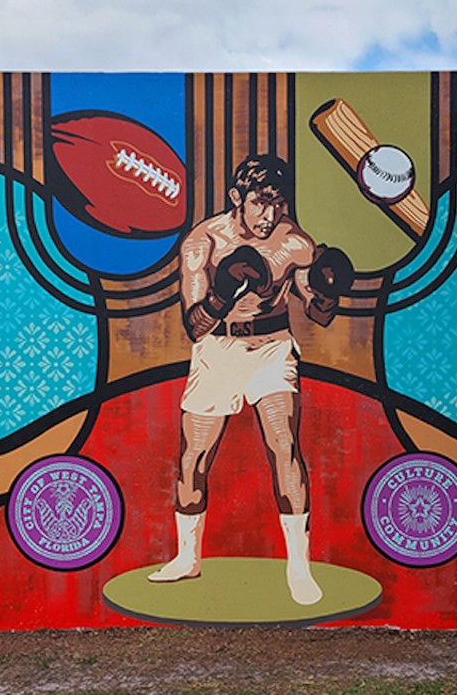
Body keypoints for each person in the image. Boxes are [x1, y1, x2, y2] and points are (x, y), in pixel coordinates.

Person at [148, 154, 352, 605]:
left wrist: (328, 290)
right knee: (194, 459)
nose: (270, 215)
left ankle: (299, 567)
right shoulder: (201, 244)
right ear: (237, 198)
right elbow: (194, 327)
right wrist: (224, 292)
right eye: (261, 203)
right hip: (216, 350)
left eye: (278, 204)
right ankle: (187, 558)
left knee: (284, 446)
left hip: (272, 349)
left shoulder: (294, 243)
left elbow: (316, 311)